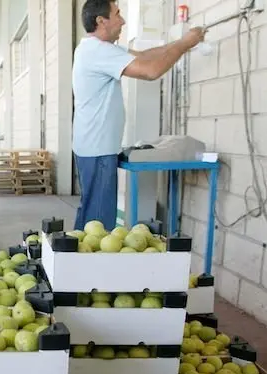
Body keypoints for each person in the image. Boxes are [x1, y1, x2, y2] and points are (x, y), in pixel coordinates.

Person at [73, 0, 206, 230]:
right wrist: (184, 44)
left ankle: (71, 262)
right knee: (97, 225)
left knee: (90, 218)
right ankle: (86, 264)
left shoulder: (95, 48)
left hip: (93, 147)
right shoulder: (98, 51)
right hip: (97, 150)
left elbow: (145, 56)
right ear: (101, 21)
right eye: (117, 14)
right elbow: (151, 71)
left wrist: (182, 42)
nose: (122, 20)